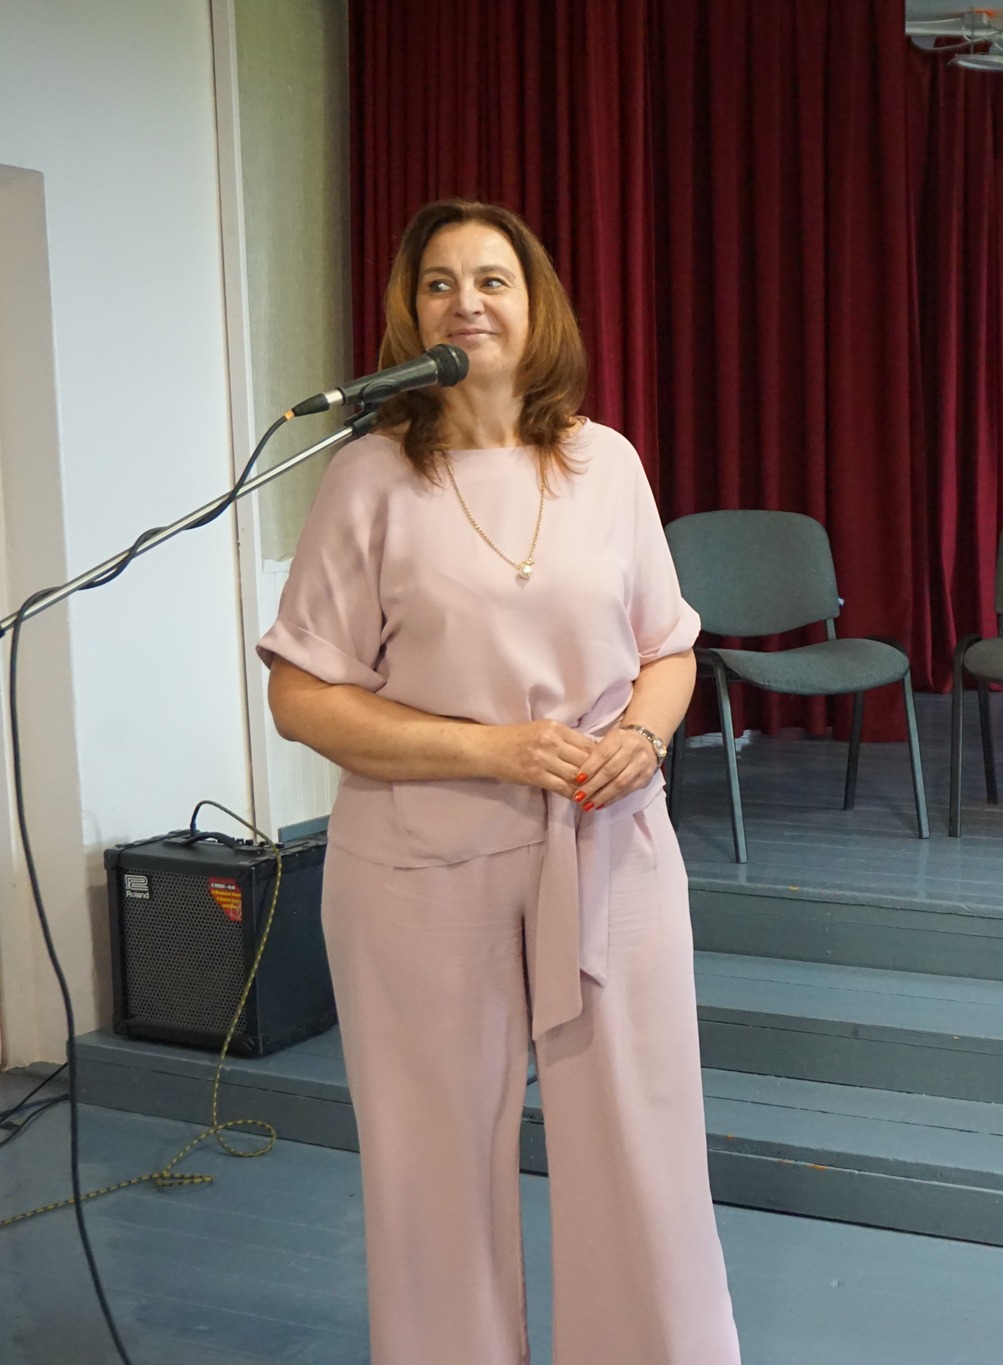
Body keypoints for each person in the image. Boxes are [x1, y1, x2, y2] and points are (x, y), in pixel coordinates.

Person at [260, 199, 742, 1365]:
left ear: (536, 308)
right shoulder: (367, 477)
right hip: (419, 864)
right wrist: (492, 751)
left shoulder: (605, 461)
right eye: (438, 283)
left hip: (608, 844)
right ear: (409, 313)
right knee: (430, 1164)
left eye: (491, 280)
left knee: (641, 1147)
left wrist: (643, 736)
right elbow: (302, 697)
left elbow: (669, 649)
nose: (464, 302)